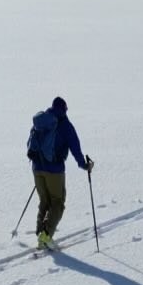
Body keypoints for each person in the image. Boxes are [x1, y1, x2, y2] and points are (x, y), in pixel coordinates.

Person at [28, 96, 93, 249]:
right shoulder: (65, 125)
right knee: (57, 202)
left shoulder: (41, 121)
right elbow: (75, 149)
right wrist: (84, 165)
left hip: (37, 167)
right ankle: (46, 235)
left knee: (44, 200)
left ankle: (40, 234)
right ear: (64, 109)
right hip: (54, 170)